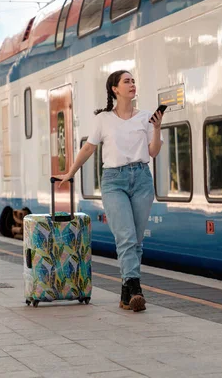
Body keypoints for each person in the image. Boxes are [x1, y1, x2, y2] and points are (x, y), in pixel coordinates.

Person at [56, 70, 163, 312]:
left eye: (134, 81)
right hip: (114, 181)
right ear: (115, 89)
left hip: (142, 179)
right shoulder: (103, 119)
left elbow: (154, 151)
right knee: (125, 237)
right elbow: (88, 149)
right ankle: (135, 288)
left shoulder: (146, 117)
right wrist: (71, 172)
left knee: (135, 240)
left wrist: (157, 128)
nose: (132, 84)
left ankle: (126, 293)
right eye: (127, 81)